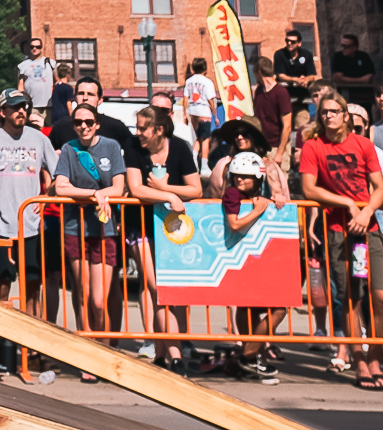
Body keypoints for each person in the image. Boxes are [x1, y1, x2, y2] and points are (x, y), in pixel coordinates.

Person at [298, 90, 383, 386]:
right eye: (324, 112)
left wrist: (365, 211)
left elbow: (379, 186)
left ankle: (375, 355)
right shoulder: (313, 146)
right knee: (350, 297)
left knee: (379, 295)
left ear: (346, 116)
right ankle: (359, 360)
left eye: (334, 111)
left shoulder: (363, 144)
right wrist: (346, 203)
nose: (328, 116)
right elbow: (309, 189)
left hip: (368, 230)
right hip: (337, 231)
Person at [0, 91, 57, 380]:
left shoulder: (39, 139)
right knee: (2, 290)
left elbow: (57, 177)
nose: (21, 111)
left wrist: (45, 201)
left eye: (24, 107)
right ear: (3, 111)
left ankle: (33, 352)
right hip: (1, 224)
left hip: (30, 226)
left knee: (33, 290)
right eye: (15, 107)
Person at [53, 104, 127, 377]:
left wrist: (98, 195)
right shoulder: (70, 149)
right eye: (78, 123)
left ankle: (105, 352)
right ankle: (88, 356)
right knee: (82, 296)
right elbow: (61, 187)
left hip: (105, 230)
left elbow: (119, 187)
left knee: (99, 299)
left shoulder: (110, 146)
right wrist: (94, 195)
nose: (83, 126)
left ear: (97, 124)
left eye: (88, 122)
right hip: (76, 227)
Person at [124, 105, 200, 369]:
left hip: (172, 230)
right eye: (137, 127)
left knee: (173, 291)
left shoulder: (179, 147)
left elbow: (196, 189)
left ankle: (160, 350)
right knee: (159, 290)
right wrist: (169, 196)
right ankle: (176, 355)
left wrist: (166, 188)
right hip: (141, 226)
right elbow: (136, 188)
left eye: (143, 127)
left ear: (158, 129)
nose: (138, 132)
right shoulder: (133, 147)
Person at [218, 151, 282, 384]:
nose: (239, 180)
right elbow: (234, 224)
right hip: (241, 257)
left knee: (262, 309)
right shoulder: (233, 193)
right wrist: (258, 210)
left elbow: (276, 202)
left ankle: (250, 356)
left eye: (245, 177)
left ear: (257, 178)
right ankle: (248, 356)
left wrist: (277, 200)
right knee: (268, 309)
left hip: (258, 257)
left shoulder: (259, 192)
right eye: (236, 176)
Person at [50, 78, 138, 161]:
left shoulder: (115, 127)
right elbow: (46, 158)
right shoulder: (60, 127)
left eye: (90, 94)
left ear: (100, 100)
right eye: (81, 93)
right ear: (75, 98)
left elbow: (135, 151)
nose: (85, 98)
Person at [252, 55, 294, 167]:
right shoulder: (259, 90)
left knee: (279, 183)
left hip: (277, 148)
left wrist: (280, 153)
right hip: (261, 148)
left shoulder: (281, 92)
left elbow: (287, 126)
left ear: (258, 71)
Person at [331, 34, 376, 117]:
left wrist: (345, 78)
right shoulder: (338, 57)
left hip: (364, 95)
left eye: (346, 46)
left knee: (366, 116)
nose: (343, 49)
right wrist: (360, 80)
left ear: (355, 47)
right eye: (342, 46)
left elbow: (370, 76)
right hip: (345, 95)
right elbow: (337, 77)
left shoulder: (363, 56)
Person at [274, 30, 318, 107]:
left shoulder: (307, 54)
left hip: (302, 96)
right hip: (284, 96)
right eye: (287, 41)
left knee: (302, 118)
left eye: (292, 42)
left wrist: (306, 79)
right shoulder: (280, 54)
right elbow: (280, 76)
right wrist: (296, 79)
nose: (289, 43)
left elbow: (312, 75)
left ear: (299, 43)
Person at [181, 59, 217, 149]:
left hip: (193, 111)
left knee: (197, 137)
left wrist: (185, 114)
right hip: (204, 111)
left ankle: (194, 157)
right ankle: (204, 162)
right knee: (205, 138)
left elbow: (185, 98)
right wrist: (215, 115)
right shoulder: (207, 82)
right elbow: (210, 100)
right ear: (205, 68)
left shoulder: (189, 81)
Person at [18, 39, 54, 114]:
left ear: (41, 48)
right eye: (32, 47)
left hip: (49, 105)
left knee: (48, 126)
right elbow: (20, 86)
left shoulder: (50, 63)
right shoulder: (23, 65)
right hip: (32, 105)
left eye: (37, 47)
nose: (35, 49)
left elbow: (57, 81)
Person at [48, 60, 76, 133]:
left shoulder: (55, 87)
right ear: (68, 75)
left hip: (54, 115)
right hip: (64, 115)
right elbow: (68, 103)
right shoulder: (68, 88)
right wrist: (71, 115)